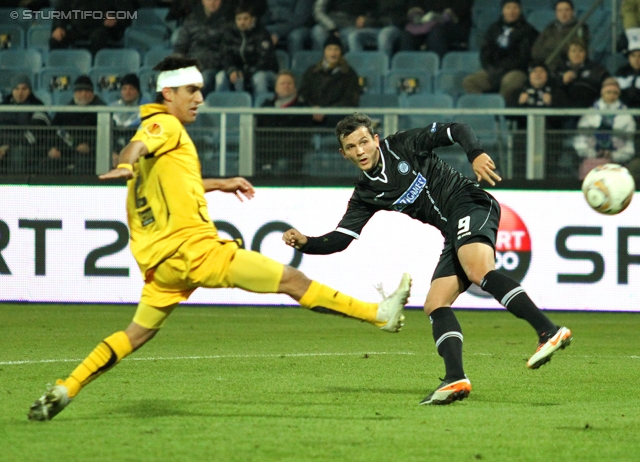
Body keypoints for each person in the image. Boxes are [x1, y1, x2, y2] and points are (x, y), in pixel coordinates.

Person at [27, 56, 411, 421]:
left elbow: (177, 182)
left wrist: (219, 183)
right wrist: (125, 163)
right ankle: (377, 315)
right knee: (292, 280)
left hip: (162, 265)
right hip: (193, 250)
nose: (199, 99)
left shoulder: (167, 142)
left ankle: (66, 387)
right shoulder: (164, 125)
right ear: (168, 94)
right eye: (191, 90)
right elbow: (138, 145)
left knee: (136, 333)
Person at [282, 113, 573, 405]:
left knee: (478, 270)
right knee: (435, 303)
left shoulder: (403, 145)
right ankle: (455, 378)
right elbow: (341, 239)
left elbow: (459, 129)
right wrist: (306, 242)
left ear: (375, 140)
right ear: (343, 154)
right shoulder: (366, 193)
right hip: (452, 230)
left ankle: (547, 329)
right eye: (351, 147)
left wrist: (476, 154)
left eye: (363, 142)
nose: (359, 151)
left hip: (471, 203)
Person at [462, 0, 538, 107]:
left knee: (509, 82)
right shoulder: (494, 29)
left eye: (515, 8)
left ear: (520, 10)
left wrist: (504, 68)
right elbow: (485, 52)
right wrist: (490, 67)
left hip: (517, 70)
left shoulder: (529, 31)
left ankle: (500, 116)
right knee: (470, 81)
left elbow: (524, 57)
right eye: (508, 8)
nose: (511, 11)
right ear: (503, 10)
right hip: (494, 69)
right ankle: (483, 112)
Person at [573, 77, 637, 179]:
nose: (611, 96)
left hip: (617, 161)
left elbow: (629, 142)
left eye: (614, 93)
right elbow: (581, 138)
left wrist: (613, 155)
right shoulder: (590, 112)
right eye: (608, 92)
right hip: (592, 160)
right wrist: (594, 153)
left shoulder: (626, 115)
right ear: (602, 93)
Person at [44, 75, 106, 175]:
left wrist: (90, 146)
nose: (83, 95)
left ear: (92, 93)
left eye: (87, 91)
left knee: (83, 163)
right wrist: (52, 147)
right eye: (80, 91)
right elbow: (52, 131)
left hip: (91, 155)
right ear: (74, 93)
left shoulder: (102, 111)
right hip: (64, 152)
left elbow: (105, 136)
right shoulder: (66, 110)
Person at [255, 70, 313, 174]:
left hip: (292, 152)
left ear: (295, 87)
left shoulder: (303, 107)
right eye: (282, 83)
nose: (286, 86)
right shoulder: (266, 105)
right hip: (267, 150)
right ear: (276, 88)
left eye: (289, 83)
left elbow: (303, 135)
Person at [216, 4, 280, 95]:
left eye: (245, 18)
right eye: (239, 19)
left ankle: (262, 106)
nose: (242, 22)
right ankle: (218, 107)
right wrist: (232, 70)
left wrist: (245, 74)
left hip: (264, 72)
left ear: (252, 19)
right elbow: (225, 56)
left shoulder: (262, 33)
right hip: (239, 71)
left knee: (259, 78)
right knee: (220, 76)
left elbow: (265, 61)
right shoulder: (230, 34)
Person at [298, 35, 360, 127]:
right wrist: (313, 109)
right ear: (324, 51)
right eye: (329, 49)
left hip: (337, 118)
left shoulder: (349, 74)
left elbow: (349, 99)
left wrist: (327, 111)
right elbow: (303, 94)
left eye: (336, 49)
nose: (333, 53)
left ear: (341, 52)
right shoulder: (312, 71)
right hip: (312, 116)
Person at [173, 0, 230, 94]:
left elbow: (227, 51)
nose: (212, 2)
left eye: (216, 0)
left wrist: (201, 66)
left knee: (204, 80)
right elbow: (180, 47)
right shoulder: (191, 20)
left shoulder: (229, 22)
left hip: (214, 68)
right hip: (191, 67)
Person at [0, 74, 51, 174]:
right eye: (16, 88)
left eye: (24, 88)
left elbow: (32, 135)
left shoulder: (38, 106)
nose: (20, 92)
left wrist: (7, 146)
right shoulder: (3, 107)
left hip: (30, 149)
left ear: (30, 90)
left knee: (18, 153)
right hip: (3, 147)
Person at [553, 37, 609, 128]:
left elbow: (607, 85)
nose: (577, 54)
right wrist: (562, 81)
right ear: (568, 53)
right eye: (573, 51)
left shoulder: (597, 70)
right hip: (564, 115)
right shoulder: (559, 70)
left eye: (580, 51)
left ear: (586, 53)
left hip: (590, 114)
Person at [49, 0, 138, 54]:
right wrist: (59, 26)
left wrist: (115, 20)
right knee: (56, 40)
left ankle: (96, 69)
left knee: (98, 36)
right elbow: (60, 11)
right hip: (78, 28)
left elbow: (126, 12)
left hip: (101, 28)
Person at [531, 0, 590, 72]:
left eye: (567, 10)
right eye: (560, 10)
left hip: (568, 69)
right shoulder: (550, 28)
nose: (563, 13)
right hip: (547, 68)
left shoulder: (581, 28)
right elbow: (536, 51)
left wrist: (550, 48)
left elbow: (576, 51)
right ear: (556, 13)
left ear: (573, 12)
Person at [402, 0, 473, 58]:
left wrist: (442, 16)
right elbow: (414, 5)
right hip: (425, 24)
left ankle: (438, 70)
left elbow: (462, 6)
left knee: (436, 34)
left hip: (455, 23)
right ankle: (407, 73)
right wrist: (417, 15)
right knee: (407, 36)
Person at [345, 0, 412, 58]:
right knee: (354, 36)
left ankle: (383, 67)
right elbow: (370, 11)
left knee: (384, 35)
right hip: (377, 27)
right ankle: (357, 68)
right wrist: (364, 17)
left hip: (395, 27)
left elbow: (400, 18)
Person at [110, 74, 150, 168]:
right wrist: (113, 151)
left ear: (138, 91)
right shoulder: (112, 108)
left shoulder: (147, 108)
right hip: (117, 152)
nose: (127, 92)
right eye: (124, 89)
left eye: (131, 88)